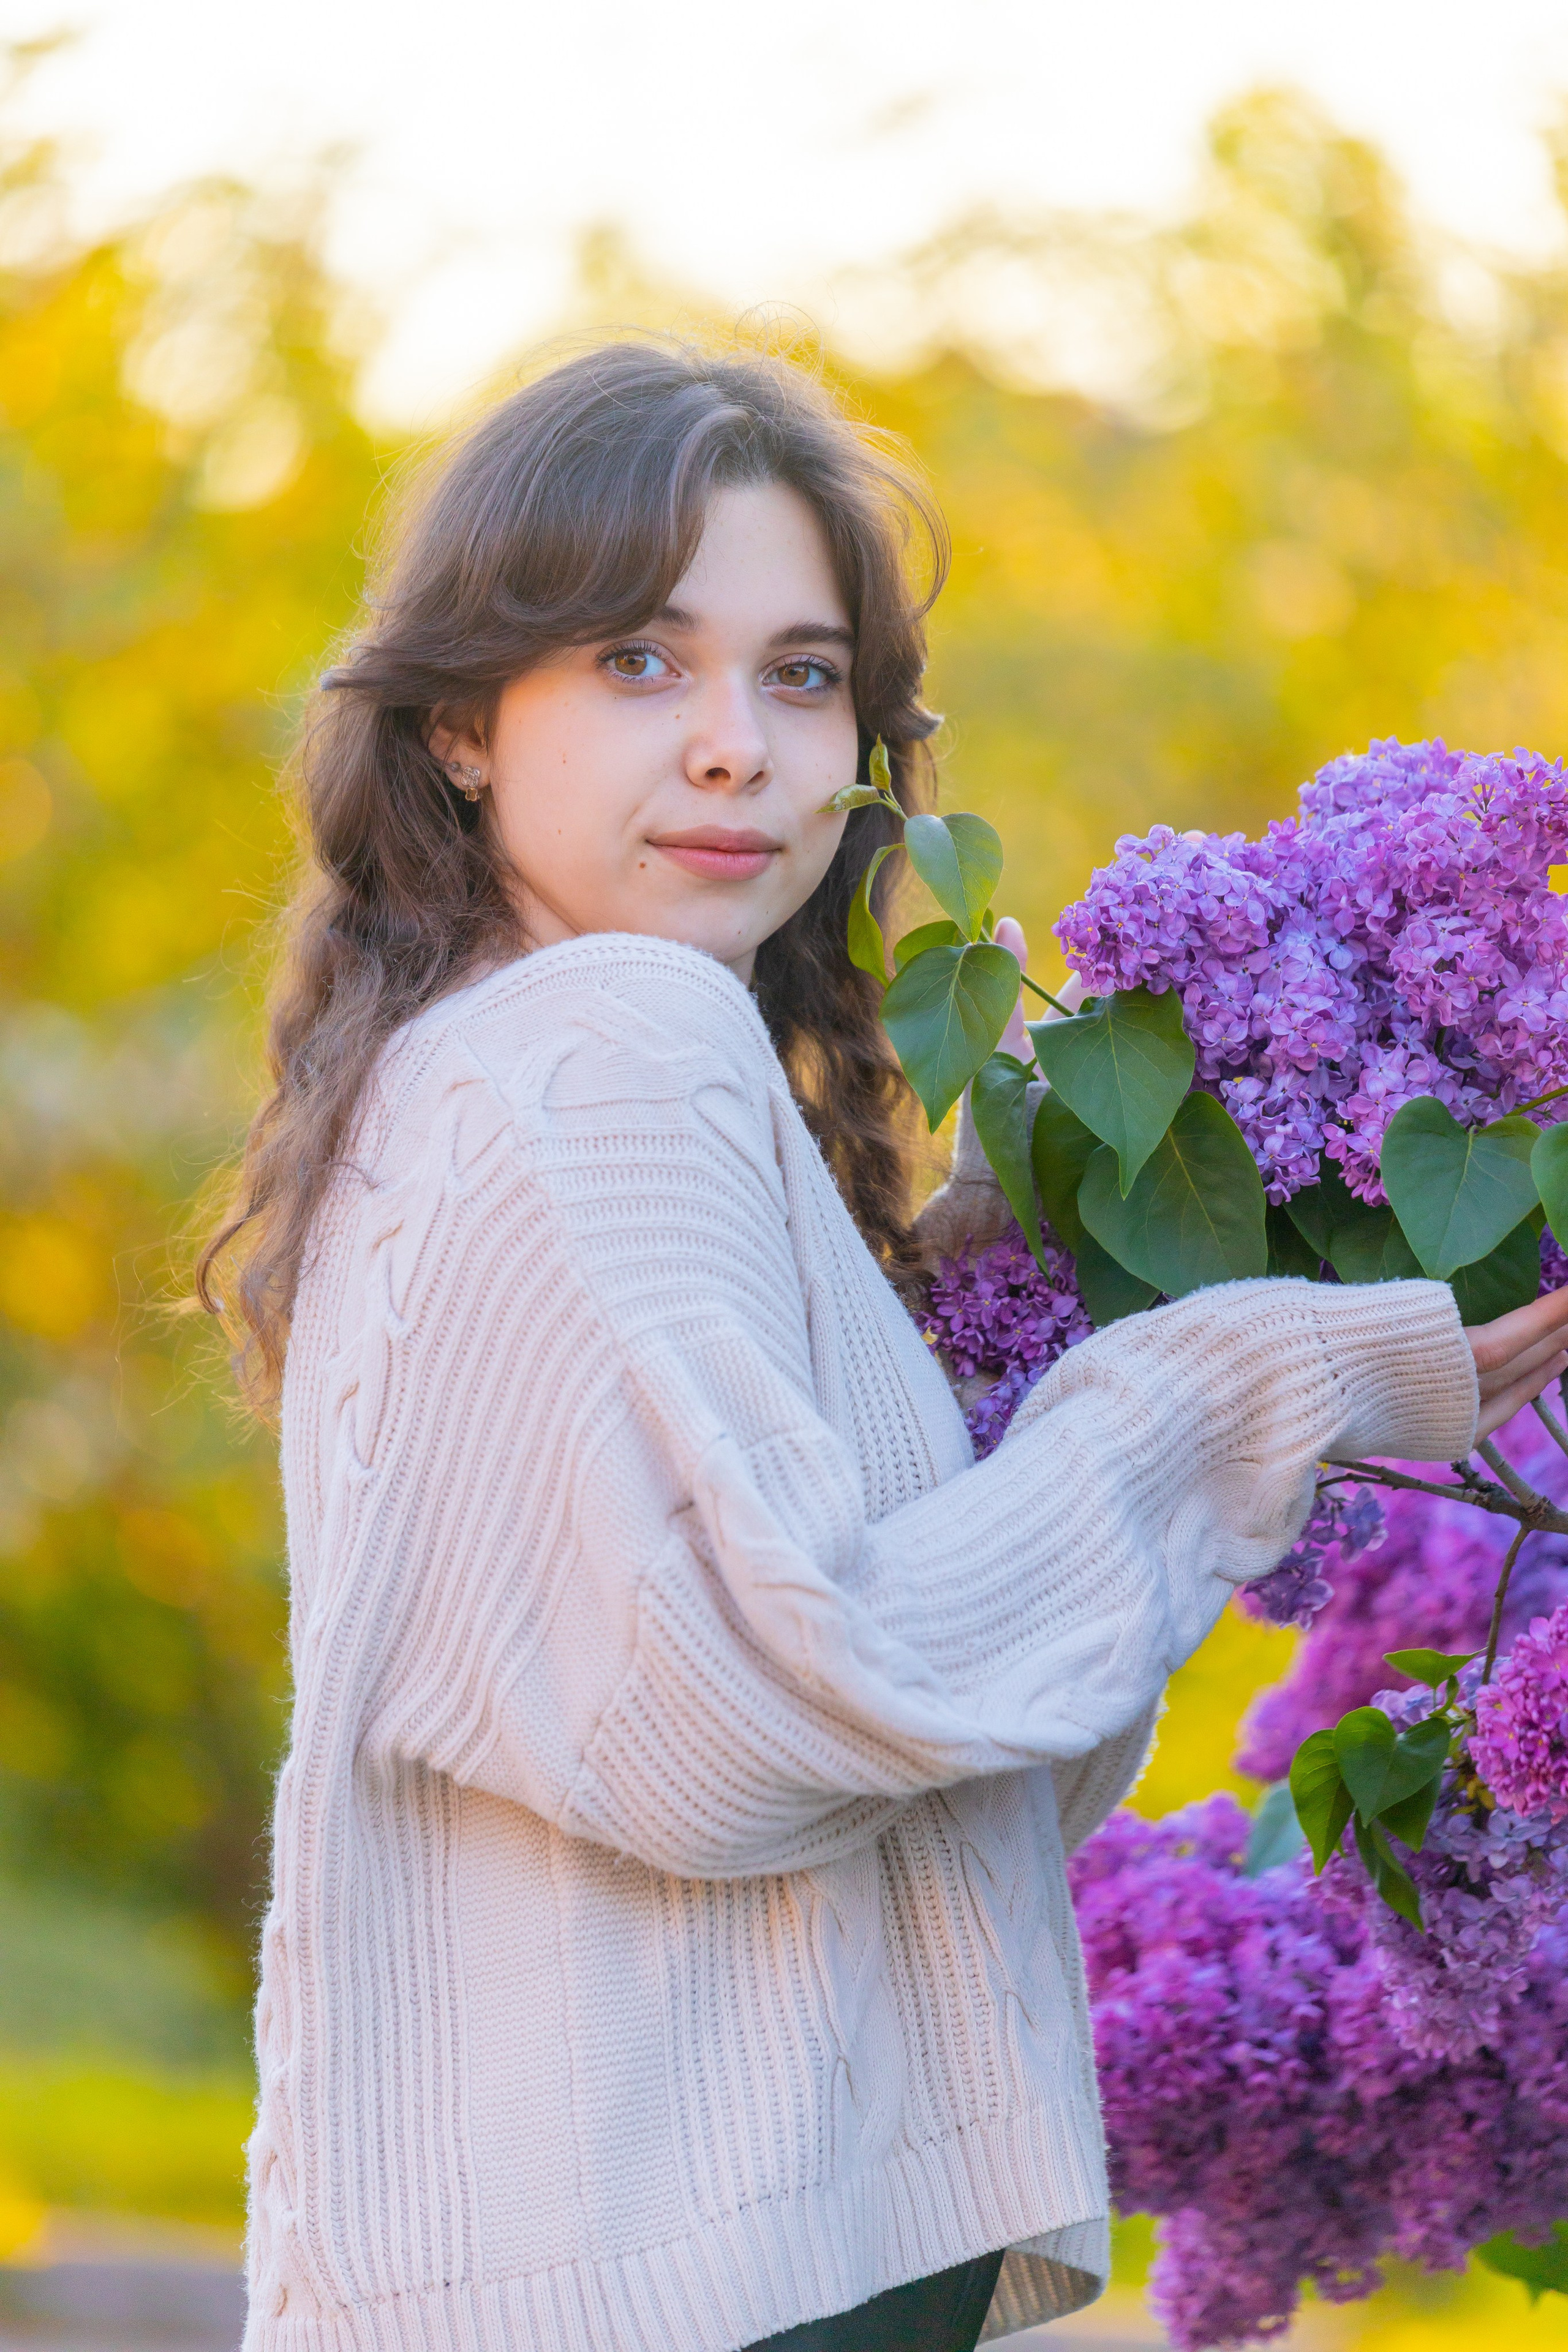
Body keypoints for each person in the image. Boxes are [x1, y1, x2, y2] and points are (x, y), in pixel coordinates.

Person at [201, 341, 1568, 2352]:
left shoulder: (446, 1078)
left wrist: (998, 1315)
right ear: (465, 723)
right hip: (699, 2272)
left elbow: (919, 1743)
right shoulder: (614, 1043)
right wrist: (1258, 1375)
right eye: (640, 664)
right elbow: (781, 1711)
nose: (742, 746)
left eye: (804, 672)